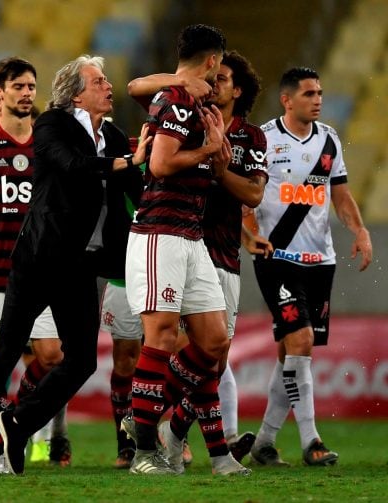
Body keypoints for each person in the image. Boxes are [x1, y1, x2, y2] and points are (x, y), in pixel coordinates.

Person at [0, 55, 143, 476]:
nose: (109, 87)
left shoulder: (113, 136)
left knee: (81, 362)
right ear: (77, 93)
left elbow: (136, 187)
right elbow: (74, 167)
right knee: (4, 352)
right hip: (39, 257)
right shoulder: (52, 125)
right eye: (99, 82)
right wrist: (130, 160)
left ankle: (18, 423)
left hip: (80, 264)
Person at [127, 50, 268, 470]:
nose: (216, 83)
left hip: (219, 251)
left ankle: (156, 424)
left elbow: (254, 195)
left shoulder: (249, 136)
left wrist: (221, 167)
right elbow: (136, 89)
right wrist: (182, 80)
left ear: (237, 90)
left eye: (225, 79)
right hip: (173, 237)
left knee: (215, 352)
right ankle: (203, 450)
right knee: (167, 339)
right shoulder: (183, 104)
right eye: (214, 74)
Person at [244, 66, 372, 467]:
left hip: (320, 261)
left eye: (319, 93)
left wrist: (361, 230)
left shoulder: (329, 140)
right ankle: (311, 440)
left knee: (291, 352)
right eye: (309, 94)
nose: (318, 99)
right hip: (275, 257)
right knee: (299, 342)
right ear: (287, 100)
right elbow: (246, 196)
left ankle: (264, 441)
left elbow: (342, 196)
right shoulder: (263, 139)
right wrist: (250, 232)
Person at [0, 57, 72, 472]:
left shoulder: (48, 143)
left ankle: (12, 422)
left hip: (42, 270)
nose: (26, 93)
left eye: (30, 86)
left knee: (53, 356)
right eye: (18, 86)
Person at [99, 124, 151, 469]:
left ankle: (166, 434)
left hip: (166, 266)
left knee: (168, 354)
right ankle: (126, 442)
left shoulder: (185, 158)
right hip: (122, 274)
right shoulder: (125, 157)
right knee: (126, 359)